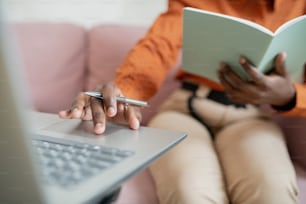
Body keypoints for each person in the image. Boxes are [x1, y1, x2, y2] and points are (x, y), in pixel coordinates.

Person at [59, 1, 306, 203]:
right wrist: (125, 92)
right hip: (185, 109)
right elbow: (158, 46)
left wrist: (290, 96)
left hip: (253, 117)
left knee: (273, 191)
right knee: (190, 192)